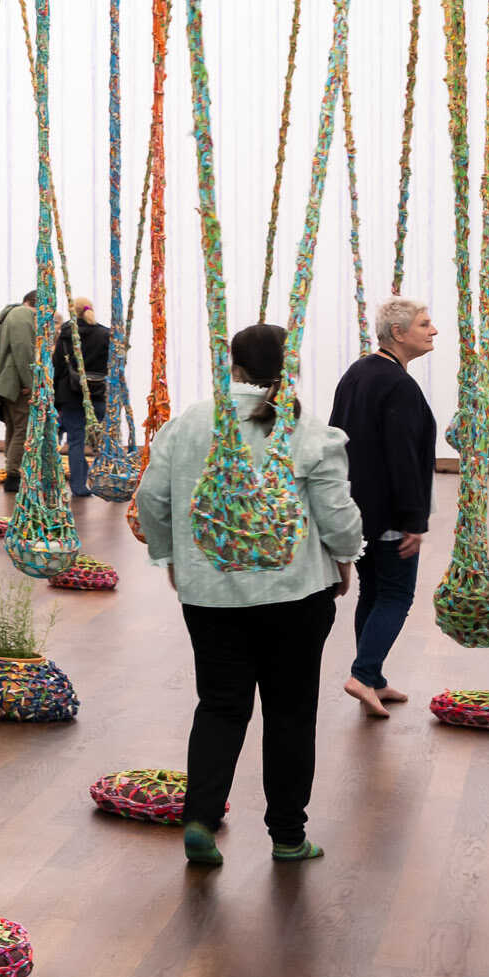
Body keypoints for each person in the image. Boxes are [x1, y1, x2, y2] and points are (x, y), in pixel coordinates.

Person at [137, 323, 364, 866]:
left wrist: (169, 557)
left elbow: (151, 498)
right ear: (290, 370)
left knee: (219, 705)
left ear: (231, 365)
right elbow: (336, 515)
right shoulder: (307, 431)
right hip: (296, 595)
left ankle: (200, 819)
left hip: (210, 594)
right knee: (289, 712)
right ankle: (288, 835)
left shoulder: (190, 424)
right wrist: (347, 555)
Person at [330, 298, 441, 720]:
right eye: (424, 324)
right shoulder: (397, 385)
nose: (433, 331)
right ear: (398, 333)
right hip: (391, 515)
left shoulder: (357, 373)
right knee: (397, 594)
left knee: (373, 592)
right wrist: (414, 520)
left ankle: (373, 677)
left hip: (358, 512)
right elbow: (404, 458)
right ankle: (362, 673)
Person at [49, 299, 114, 500]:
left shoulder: (67, 335)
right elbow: (114, 362)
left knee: (75, 441)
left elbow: (57, 365)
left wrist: (55, 394)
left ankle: (78, 485)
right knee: (99, 439)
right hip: (97, 393)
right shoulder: (105, 334)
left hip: (70, 394)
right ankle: (105, 480)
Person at [0, 290, 41, 487]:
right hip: (17, 384)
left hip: (9, 383)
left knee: (15, 427)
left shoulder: (14, 314)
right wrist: (32, 383)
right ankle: (14, 474)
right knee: (23, 428)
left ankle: (12, 468)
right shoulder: (24, 315)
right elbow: (23, 349)